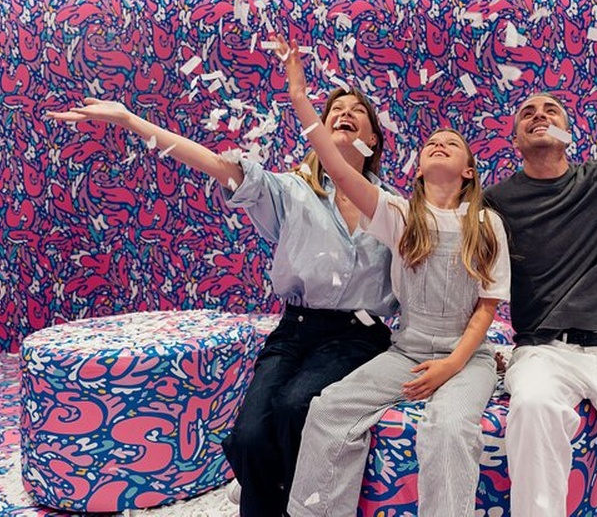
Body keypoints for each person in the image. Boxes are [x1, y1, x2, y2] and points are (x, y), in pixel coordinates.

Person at [46, 91, 399, 517]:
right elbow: (212, 163)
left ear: (373, 138)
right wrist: (129, 120)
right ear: (318, 132)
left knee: (296, 406)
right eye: (335, 111)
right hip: (298, 329)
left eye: (357, 110)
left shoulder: (394, 207)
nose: (344, 113)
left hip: (359, 335)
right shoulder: (290, 190)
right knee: (249, 435)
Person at [275, 35, 511, 516]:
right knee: (328, 408)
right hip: (406, 354)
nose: (439, 145)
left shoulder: (487, 223)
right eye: (431, 144)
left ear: (468, 171)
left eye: (452, 144)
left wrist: (450, 366)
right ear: (419, 169)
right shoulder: (400, 215)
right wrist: (300, 98)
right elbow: (340, 169)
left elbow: (487, 307)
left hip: (468, 359)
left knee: (448, 428)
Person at [484, 92, 597, 517]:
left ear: (567, 133)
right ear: (516, 140)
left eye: (551, 110)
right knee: (532, 405)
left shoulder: (595, 182)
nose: (539, 115)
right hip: (542, 350)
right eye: (527, 114)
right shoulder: (494, 203)